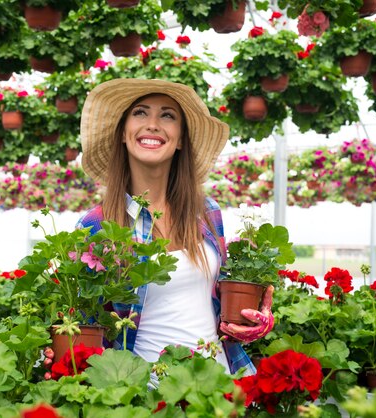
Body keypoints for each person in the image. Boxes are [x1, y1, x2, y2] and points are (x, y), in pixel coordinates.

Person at [76, 78, 274, 376]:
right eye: (140, 113)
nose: (153, 124)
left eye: (167, 115)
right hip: (144, 393)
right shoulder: (97, 226)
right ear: (122, 134)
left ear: (180, 138)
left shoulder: (206, 213)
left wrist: (254, 321)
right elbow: (82, 325)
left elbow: (218, 307)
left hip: (221, 384)